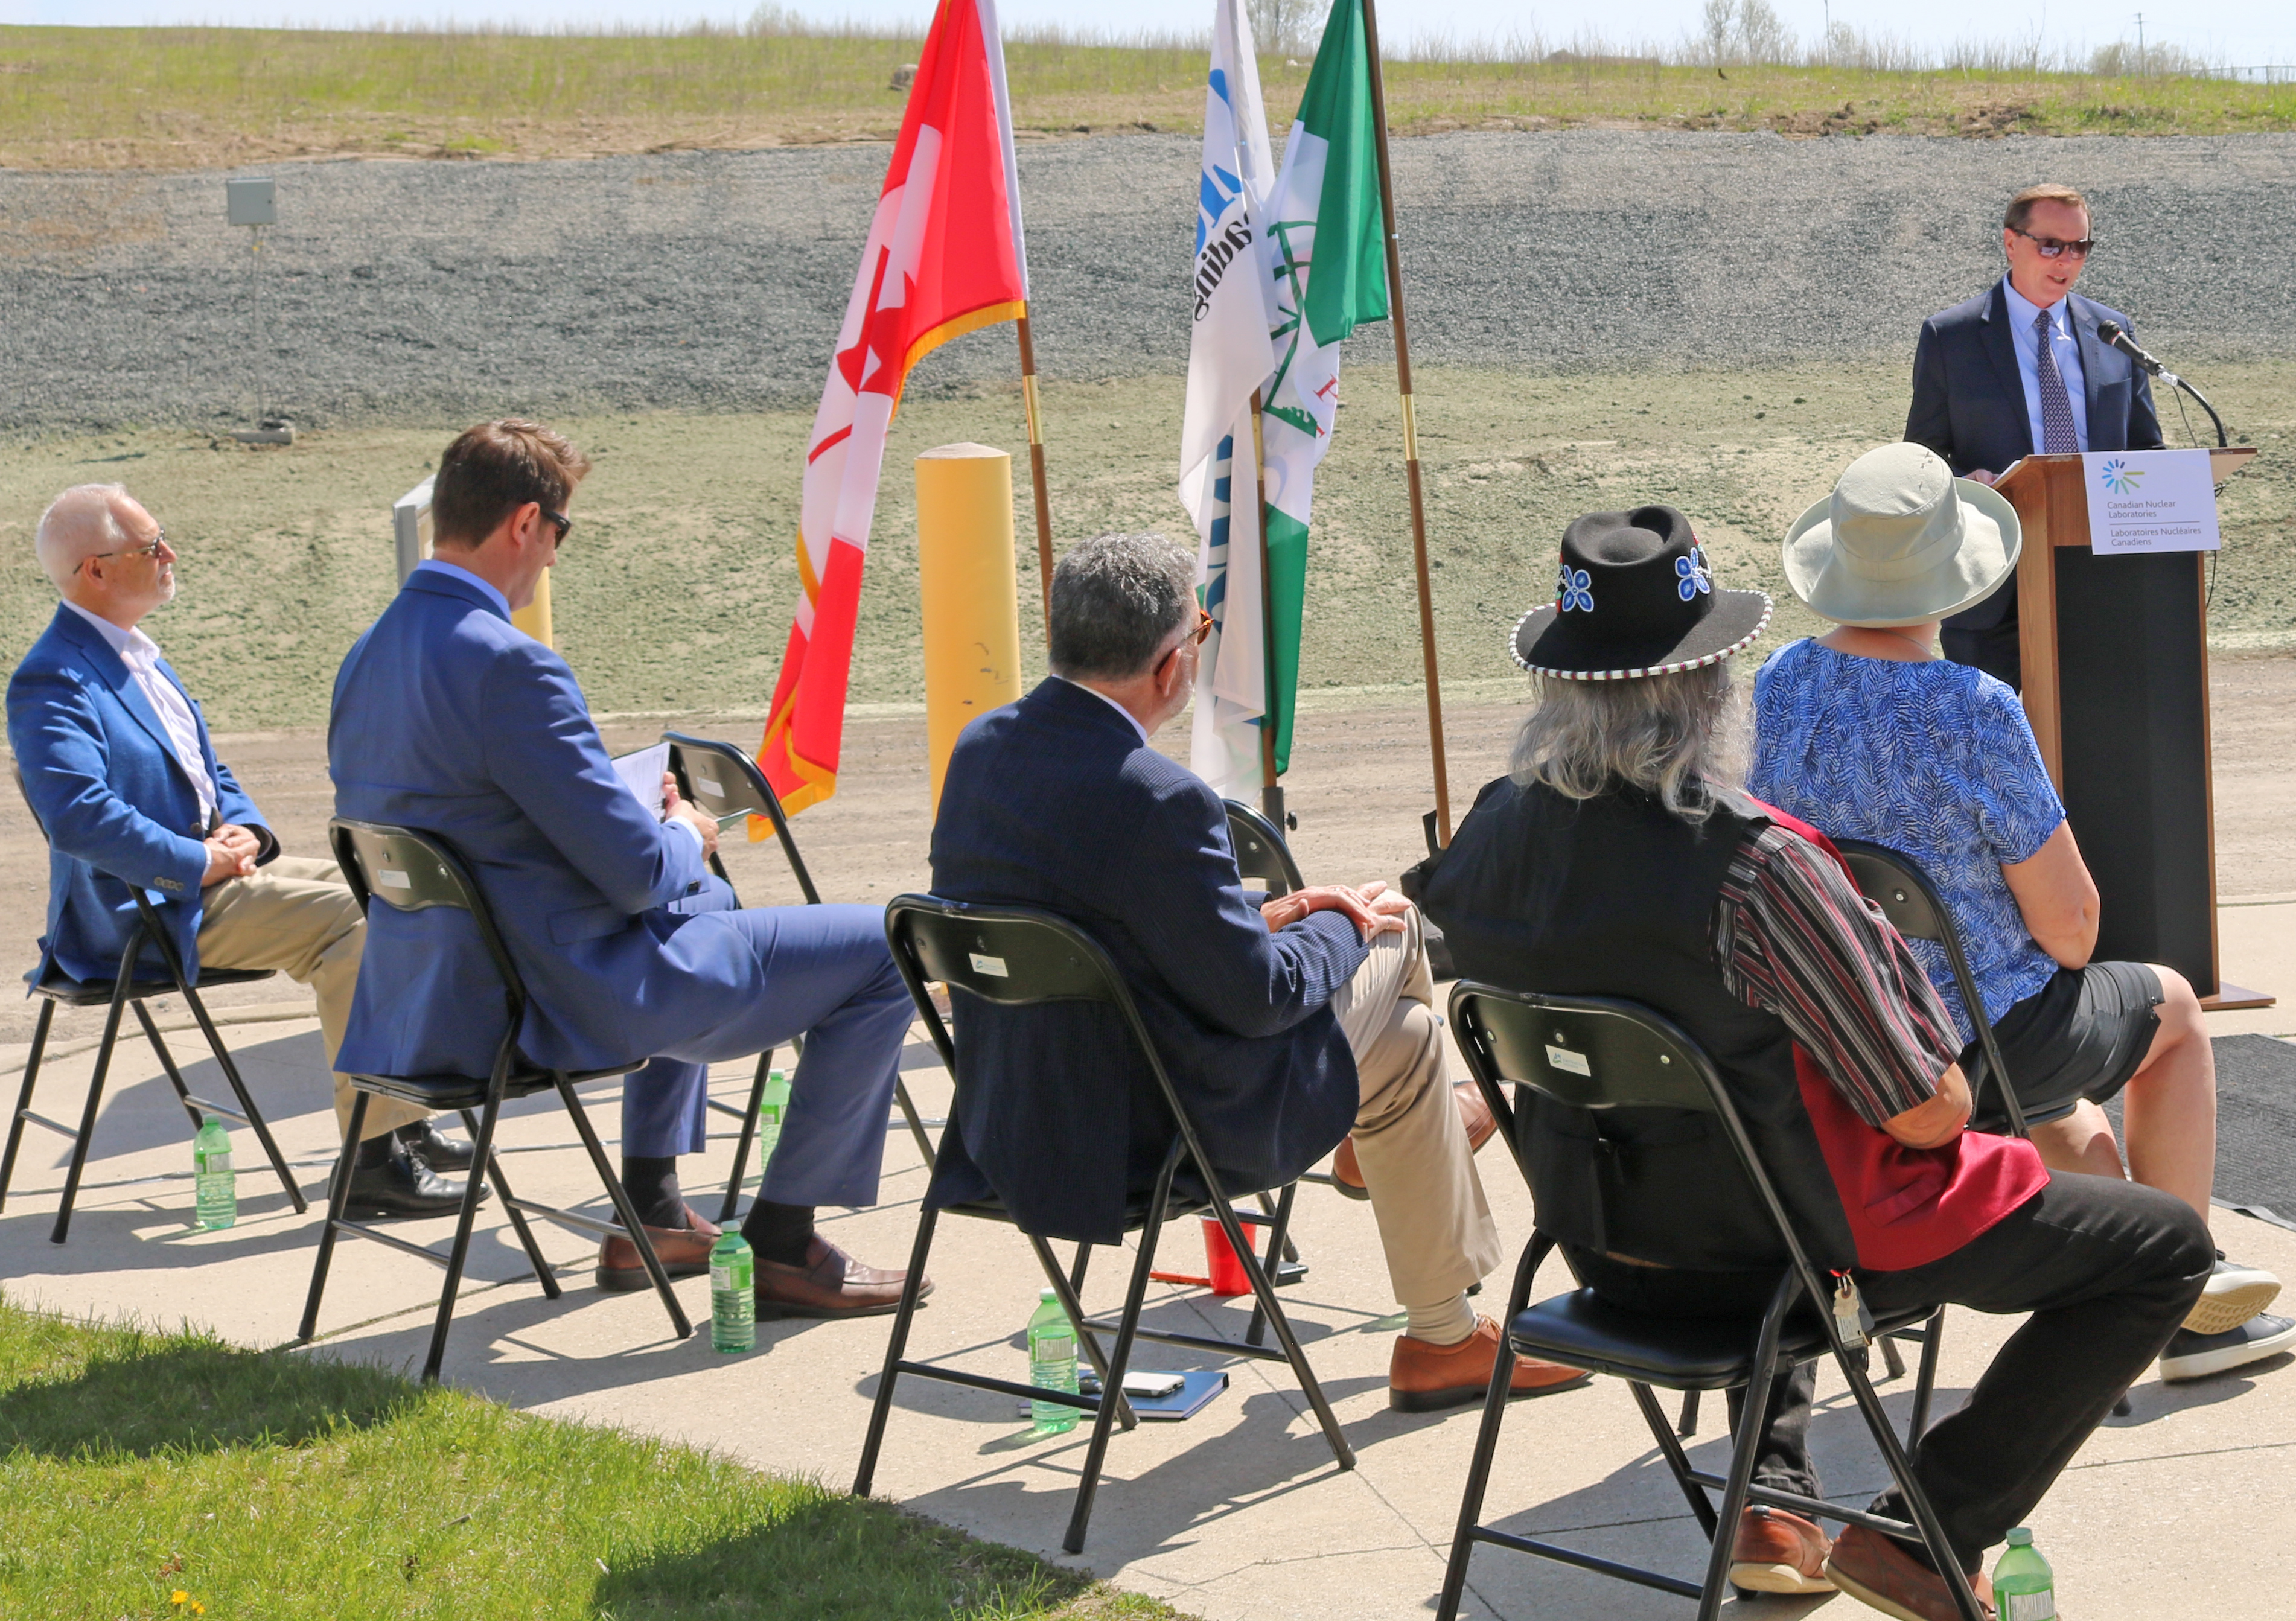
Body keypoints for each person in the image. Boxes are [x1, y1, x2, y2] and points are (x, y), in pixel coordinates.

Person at [1421, 506, 2214, 1621]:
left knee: (1752, 1133)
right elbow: (1931, 1112)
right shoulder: (1758, 865)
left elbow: (1445, 929)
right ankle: (1927, 1530)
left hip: (1602, 1240)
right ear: (1708, 688)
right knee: (2163, 1248)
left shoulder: (1494, 833)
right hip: (1789, 1255)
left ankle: (1774, 1496)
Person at [924, 533, 1585, 1415]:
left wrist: (1267, 915)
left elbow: (1078, 923)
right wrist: (1345, 922)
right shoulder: (1158, 797)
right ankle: (1421, 1286)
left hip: (1015, 1115)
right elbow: (1262, 997)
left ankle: (1438, 1319)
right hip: (1156, 1130)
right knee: (1395, 937)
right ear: (1171, 666)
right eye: (1199, 629)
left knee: (1406, 1042)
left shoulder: (982, 750)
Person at [330, 420, 923, 1316]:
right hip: (557, 998)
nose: (555, 560)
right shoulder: (511, 666)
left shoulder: (365, 657)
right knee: (887, 945)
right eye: (562, 534)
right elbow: (641, 875)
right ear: (526, 523)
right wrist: (688, 829)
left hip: (430, 996)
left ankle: (647, 1203)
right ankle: (783, 1241)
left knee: (706, 897)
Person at [1749, 441, 2296, 1381]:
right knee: (2167, 1010)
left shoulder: (1780, 681)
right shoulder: (1972, 706)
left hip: (1831, 1027)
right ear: (1951, 578)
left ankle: (2147, 1276)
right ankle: (2180, 1290)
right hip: (1962, 1044)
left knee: (2073, 1110)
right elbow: (2071, 929)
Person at [8, 485, 474, 1218]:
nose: (170, 555)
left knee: (398, 891)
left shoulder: (137, 654)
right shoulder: (52, 679)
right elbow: (78, 817)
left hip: (210, 877)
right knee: (356, 923)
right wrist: (199, 862)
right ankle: (371, 1160)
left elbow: (210, 776)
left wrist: (247, 834)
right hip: (146, 909)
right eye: (149, 547)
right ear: (94, 571)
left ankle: (401, 1121)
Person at [1901, 182, 2164, 686]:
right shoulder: (1951, 337)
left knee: (2094, 736)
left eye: (2080, 247)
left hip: (2101, 577)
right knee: (1986, 751)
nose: (2066, 260)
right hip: (1993, 583)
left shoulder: (2114, 331)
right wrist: (1964, 481)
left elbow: (2146, 448)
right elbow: (1922, 458)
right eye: (2051, 245)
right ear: (2010, 242)